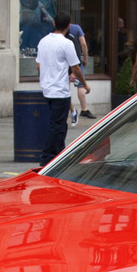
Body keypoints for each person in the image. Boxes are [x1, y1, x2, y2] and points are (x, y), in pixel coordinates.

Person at [36, 14, 83, 166]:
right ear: (69, 26)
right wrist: (85, 84)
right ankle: (48, 157)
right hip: (60, 91)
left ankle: (59, 154)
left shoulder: (43, 41)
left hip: (47, 89)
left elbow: (38, 65)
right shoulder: (66, 43)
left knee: (61, 124)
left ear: (54, 23)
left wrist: (45, 78)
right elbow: (75, 67)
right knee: (57, 126)